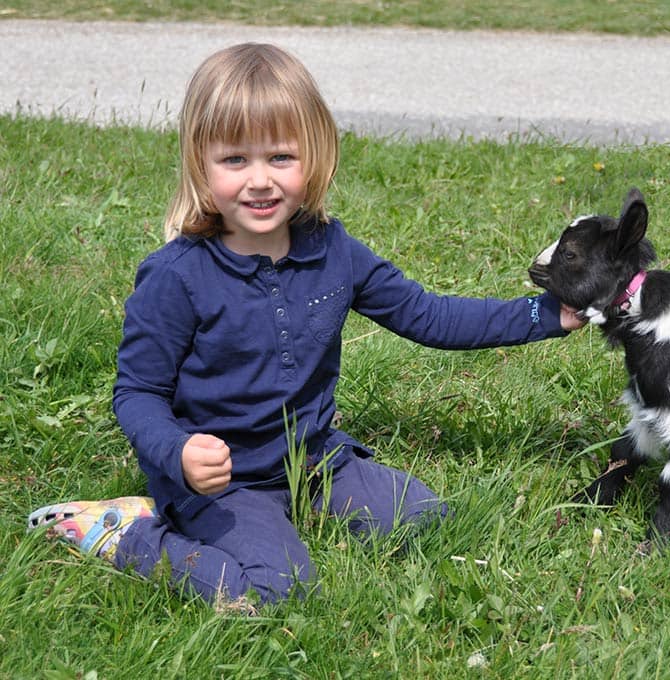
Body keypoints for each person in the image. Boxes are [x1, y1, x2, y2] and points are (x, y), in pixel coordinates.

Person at [27, 42, 583, 605]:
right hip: (222, 481)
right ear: (200, 162)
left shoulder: (332, 250)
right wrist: (178, 452)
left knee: (425, 520)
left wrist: (545, 313)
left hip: (312, 459)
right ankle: (129, 534)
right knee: (280, 591)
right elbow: (137, 392)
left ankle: (299, 505)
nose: (260, 180)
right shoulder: (177, 276)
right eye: (235, 160)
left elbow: (428, 314)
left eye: (281, 157)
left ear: (314, 156)